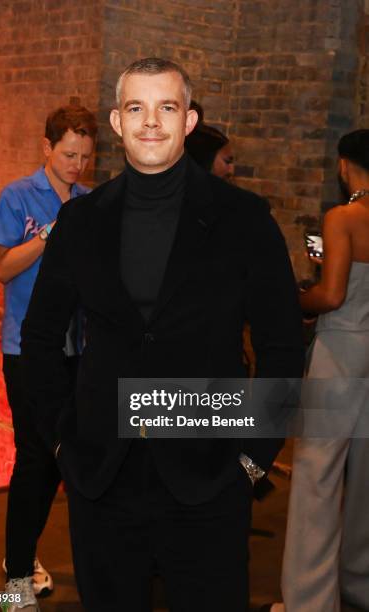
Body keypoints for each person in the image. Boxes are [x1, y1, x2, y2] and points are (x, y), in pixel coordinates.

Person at [21, 58, 304, 612]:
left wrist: (253, 460)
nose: (151, 121)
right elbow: (39, 340)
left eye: (167, 107)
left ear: (189, 120)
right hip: (102, 477)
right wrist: (61, 444)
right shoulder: (81, 222)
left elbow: (282, 346)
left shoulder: (245, 218)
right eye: (136, 108)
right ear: (118, 122)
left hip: (211, 476)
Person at [0, 105, 97, 611]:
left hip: (80, 347)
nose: (76, 164)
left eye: (85, 157)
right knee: (34, 459)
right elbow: (4, 269)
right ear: (46, 147)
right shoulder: (17, 195)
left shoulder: (90, 200)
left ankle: (36, 561)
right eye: (69, 153)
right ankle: (15, 577)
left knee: (66, 459)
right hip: (26, 349)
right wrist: (53, 233)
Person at [265, 129, 369, 612]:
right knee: (365, 480)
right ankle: (359, 583)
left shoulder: (343, 216)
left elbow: (331, 296)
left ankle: (309, 601)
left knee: (316, 476)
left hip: (341, 353)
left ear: (345, 164)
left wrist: (290, 302)